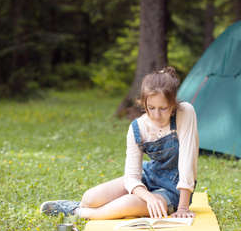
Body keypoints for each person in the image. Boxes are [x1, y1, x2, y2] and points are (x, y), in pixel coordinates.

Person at [40, 66, 199, 219]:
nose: (156, 115)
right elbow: (131, 177)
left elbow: (187, 162)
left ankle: (79, 212)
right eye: (151, 107)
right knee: (90, 198)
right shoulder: (137, 127)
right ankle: (85, 206)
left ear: (172, 104)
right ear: (144, 104)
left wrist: (183, 207)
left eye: (163, 108)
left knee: (126, 204)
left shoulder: (185, 112)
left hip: (173, 190)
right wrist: (148, 197)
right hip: (149, 176)